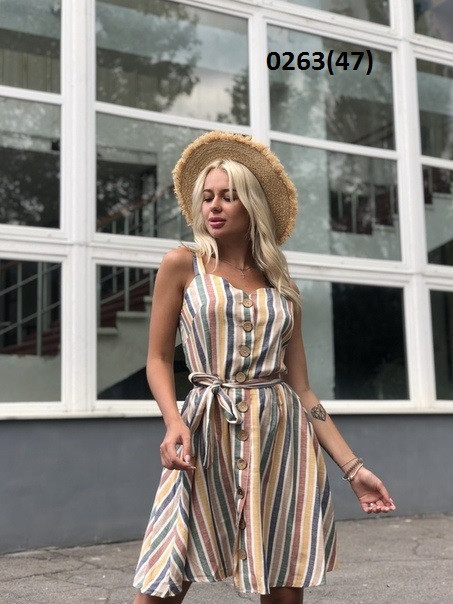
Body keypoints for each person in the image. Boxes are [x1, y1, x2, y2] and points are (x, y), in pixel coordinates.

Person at [132, 131, 395, 604]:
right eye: (207, 197)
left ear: (251, 205)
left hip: (281, 437)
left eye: (228, 196)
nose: (214, 206)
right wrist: (173, 420)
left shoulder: (280, 281)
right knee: (167, 571)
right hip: (206, 428)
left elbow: (303, 390)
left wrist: (353, 468)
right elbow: (157, 358)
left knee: (283, 582)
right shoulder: (182, 265)